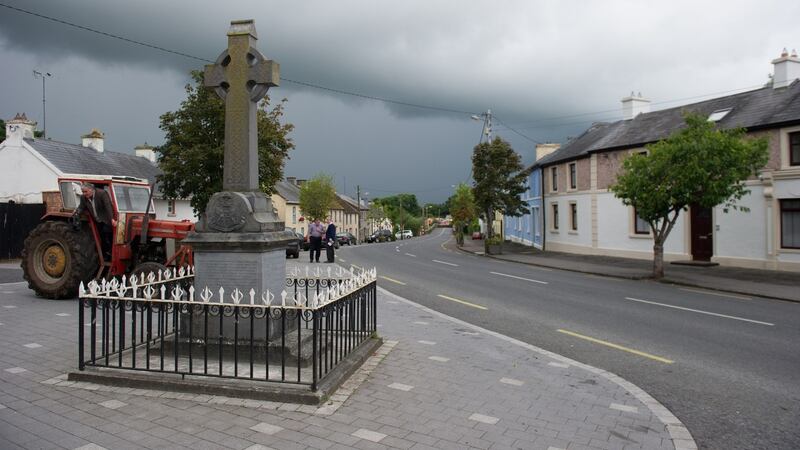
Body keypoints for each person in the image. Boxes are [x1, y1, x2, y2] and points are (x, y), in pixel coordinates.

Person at [74, 182, 116, 260]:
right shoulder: (83, 198)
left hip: (106, 220)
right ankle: (104, 255)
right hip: (97, 221)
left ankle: (110, 253)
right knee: (99, 237)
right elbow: (81, 207)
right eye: (83, 192)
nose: (84, 193)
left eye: (85, 191)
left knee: (107, 234)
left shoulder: (102, 194)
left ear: (91, 190)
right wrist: (77, 213)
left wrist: (112, 219)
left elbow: (108, 206)